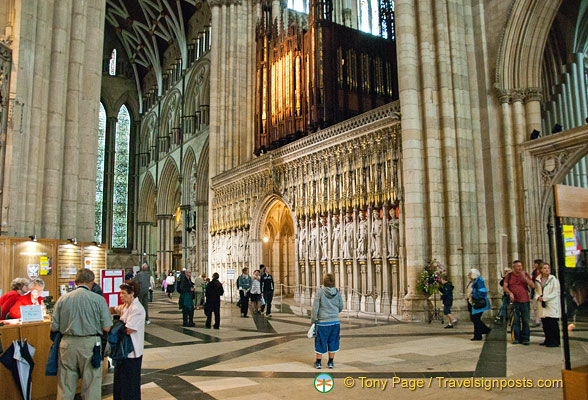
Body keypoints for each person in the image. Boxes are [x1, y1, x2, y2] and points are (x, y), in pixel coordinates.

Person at [51, 269, 112, 399]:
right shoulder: (98, 300)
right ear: (92, 282)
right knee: (91, 385)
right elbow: (107, 327)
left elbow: (54, 327)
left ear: (76, 281)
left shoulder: (63, 299)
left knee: (65, 385)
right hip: (90, 345)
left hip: (67, 344)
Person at [110, 280, 146, 400]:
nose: (121, 296)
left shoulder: (137, 308)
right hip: (123, 351)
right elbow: (115, 309)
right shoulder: (126, 306)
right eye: (120, 293)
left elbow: (129, 330)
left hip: (132, 351)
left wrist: (114, 328)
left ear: (132, 294)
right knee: (120, 381)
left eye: (123, 293)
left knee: (130, 383)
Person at [312, 273, 344, 369]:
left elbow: (315, 307)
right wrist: (334, 313)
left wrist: (313, 320)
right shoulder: (337, 292)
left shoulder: (320, 291)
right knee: (333, 341)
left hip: (323, 322)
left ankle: (318, 363)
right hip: (335, 322)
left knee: (320, 341)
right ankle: (330, 362)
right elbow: (341, 306)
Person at [503, 259, 535, 345]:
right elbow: (505, 287)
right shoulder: (509, 276)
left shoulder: (526, 275)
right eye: (518, 266)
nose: (520, 268)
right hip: (514, 301)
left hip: (525, 300)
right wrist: (510, 293)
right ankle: (516, 338)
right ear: (513, 267)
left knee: (525, 320)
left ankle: (525, 338)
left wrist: (525, 278)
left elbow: (532, 285)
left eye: (521, 266)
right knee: (515, 320)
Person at [535, 262, 561, 347]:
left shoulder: (553, 279)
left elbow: (556, 292)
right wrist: (538, 297)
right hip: (542, 303)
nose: (547, 270)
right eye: (545, 268)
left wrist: (545, 298)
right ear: (541, 270)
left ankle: (555, 341)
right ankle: (548, 339)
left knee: (552, 323)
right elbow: (536, 291)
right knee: (545, 323)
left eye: (548, 268)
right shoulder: (538, 279)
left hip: (551, 303)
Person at [467, 268, 491, 341]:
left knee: (475, 319)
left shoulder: (479, 281)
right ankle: (484, 331)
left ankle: (478, 335)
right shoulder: (472, 281)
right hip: (472, 303)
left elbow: (482, 292)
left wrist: (472, 295)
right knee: (474, 319)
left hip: (478, 303)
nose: (468, 275)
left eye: (470, 273)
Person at [530, 259, 543, 327]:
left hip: (541, 290)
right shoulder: (534, 272)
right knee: (535, 306)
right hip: (535, 290)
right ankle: (537, 320)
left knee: (540, 306)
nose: (534, 265)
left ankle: (541, 319)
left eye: (535, 263)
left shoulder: (542, 273)